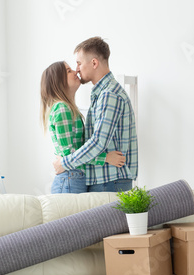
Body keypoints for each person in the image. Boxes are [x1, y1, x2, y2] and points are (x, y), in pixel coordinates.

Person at [53, 37, 138, 192]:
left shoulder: (109, 95)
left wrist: (64, 163)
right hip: (107, 180)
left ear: (94, 63)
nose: (77, 69)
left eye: (79, 63)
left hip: (110, 181)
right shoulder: (102, 94)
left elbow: (98, 143)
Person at [40, 61, 126, 194]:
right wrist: (106, 158)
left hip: (74, 178)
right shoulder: (62, 109)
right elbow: (70, 156)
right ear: (58, 81)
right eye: (69, 71)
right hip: (70, 178)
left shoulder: (69, 108)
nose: (76, 71)